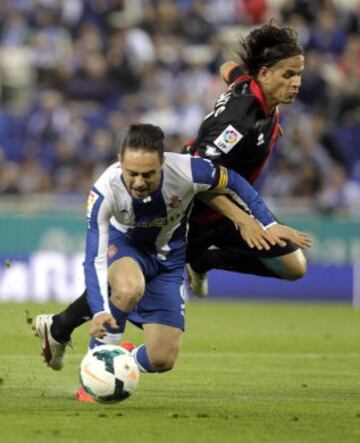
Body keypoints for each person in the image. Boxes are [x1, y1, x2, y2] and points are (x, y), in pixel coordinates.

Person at [34, 123, 309, 401]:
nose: (139, 182)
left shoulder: (188, 170)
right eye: (132, 174)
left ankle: (121, 357)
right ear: (120, 161)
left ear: (163, 163)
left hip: (171, 260)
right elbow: (94, 257)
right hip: (127, 246)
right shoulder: (105, 191)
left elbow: (234, 182)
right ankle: (93, 380)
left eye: (148, 174)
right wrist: (100, 310)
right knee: (128, 288)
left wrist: (268, 222)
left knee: (162, 360)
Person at [183, 20, 309, 296]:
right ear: (265, 74)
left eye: (299, 74)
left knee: (295, 266)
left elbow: (226, 68)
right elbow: (198, 176)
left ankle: (205, 261)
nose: (296, 83)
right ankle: (68, 325)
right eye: (288, 75)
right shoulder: (240, 122)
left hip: (228, 204)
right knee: (138, 286)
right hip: (194, 212)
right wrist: (243, 220)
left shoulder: (251, 85)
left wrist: (268, 127)